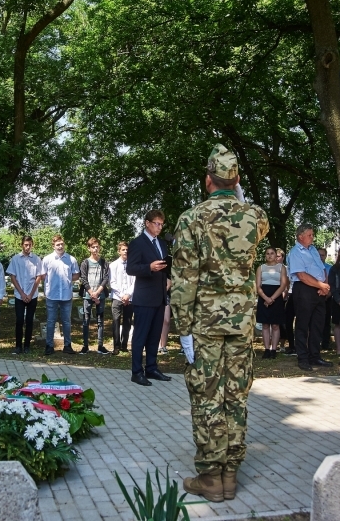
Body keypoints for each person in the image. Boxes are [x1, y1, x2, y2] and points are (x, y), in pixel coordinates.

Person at [171, 143, 269, 502]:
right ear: (237, 179)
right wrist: (237, 194)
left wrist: (182, 328)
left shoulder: (191, 218)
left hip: (205, 323)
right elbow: (257, 220)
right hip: (241, 323)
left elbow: (184, 280)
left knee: (207, 395)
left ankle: (211, 476)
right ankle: (231, 474)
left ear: (207, 179)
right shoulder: (254, 216)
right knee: (236, 395)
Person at [126, 210, 172, 386]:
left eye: (161, 224)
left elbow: (165, 266)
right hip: (144, 297)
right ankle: (136, 372)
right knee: (140, 335)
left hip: (160, 295)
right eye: (156, 224)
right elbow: (131, 268)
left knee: (154, 336)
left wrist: (168, 277)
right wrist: (149, 267)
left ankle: (151, 368)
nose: (159, 227)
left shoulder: (161, 243)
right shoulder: (137, 243)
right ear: (147, 223)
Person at [288, 224, 332, 371]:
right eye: (310, 235)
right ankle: (303, 358)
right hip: (304, 289)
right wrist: (320, 285)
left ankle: (315, 356)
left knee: (317, 324)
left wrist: (324, 285)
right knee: (303, 325)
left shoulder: (313, 250)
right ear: (301, 236)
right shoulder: (295, 252)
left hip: (319, 289)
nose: (312, 237)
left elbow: (322, 268)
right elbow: (301, 275)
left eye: (313, 235)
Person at [41, 235, 80, 355]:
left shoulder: (71, 259)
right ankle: (49, 346)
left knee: (67, 321)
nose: (60, 246)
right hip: (51, 295)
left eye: (62, 244)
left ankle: (67, 345)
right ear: (53, 246)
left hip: (66, 296)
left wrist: (67, 280)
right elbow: (43, 275)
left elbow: (76, 275)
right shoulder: (47, 259)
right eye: (58, 244)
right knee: (51, 321)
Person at [6, 235, 43, 354]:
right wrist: (22, 293)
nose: (27, 247)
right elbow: (13, 277)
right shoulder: (16, 259)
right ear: (22, 245)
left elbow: (38, 277)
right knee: (19, 320)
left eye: (30, 245)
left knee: (29, 321)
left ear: (32, 245)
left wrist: (31, 294)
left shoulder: (36, 259)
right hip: (19, 295)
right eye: (25, 245)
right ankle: (18, 346)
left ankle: (27, 346)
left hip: (32, 295)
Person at [79, 237, 111, 354]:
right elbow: (83, 278)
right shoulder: (85, 263)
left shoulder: (104, 263)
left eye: (97, 246)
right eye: (93, 247)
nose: (95, 249)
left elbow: (106, 278)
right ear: (89, 248)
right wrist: (91, 293)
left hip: (100, 296)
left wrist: (97, 293)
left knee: (100, 321)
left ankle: (100, 346)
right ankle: (85, 346)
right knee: (86, 320)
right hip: (88, 296)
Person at [256, 247, 288, 359]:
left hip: (276, 297)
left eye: (272, 253)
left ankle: (274, 349)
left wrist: (272, 299)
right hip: (263, 296)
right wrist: (265, 298)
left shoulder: (281, 267)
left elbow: (283, 284)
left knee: (275, 325)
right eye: (267, 253)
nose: (270, 255)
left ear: (276, 255)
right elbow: (258, 286)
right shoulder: (261, 268)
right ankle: (266, 349)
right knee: (265, 324)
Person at [110, 241, 135, 356]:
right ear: (119, 251)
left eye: (127, 249)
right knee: (116, 320)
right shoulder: (113, 265)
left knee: (127, 321)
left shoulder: (133, 264)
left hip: (129, 298)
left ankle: (124, 344)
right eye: (123, 249)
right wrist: (122, 295)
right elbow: (112, 282)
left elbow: (135, 282)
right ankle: (116, 346)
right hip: (117, 297)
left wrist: (128, 294)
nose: (125, 251)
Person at [318, 247, 333, 350]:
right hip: (316, 297)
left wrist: (329, 293)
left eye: (322, 255)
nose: (320, 257)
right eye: (319, 255)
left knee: (326, 321)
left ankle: (325, 343)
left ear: (325, 256)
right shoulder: (312, 267)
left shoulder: (330, 268)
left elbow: (332, 283)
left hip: (327, 298)